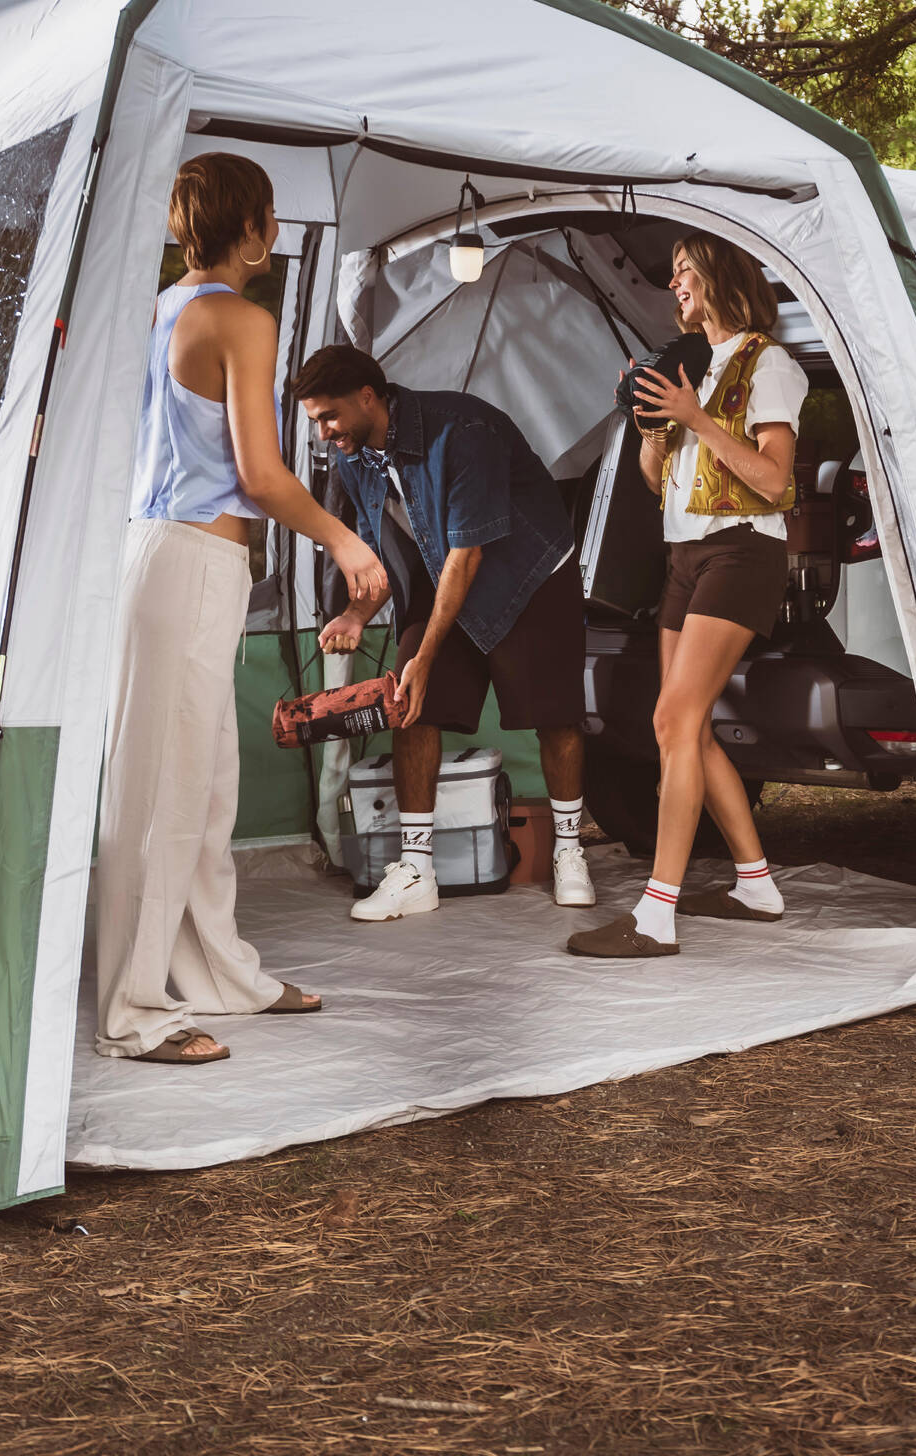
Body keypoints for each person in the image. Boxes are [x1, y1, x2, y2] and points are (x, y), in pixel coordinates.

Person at [96, 152, 390, 1068]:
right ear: (255, 225)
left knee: (206, 781)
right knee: (165, 791)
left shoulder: (159, 311)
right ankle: (133, 1012)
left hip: (159, 557)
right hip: (187, 558)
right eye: (268, 215)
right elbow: (261, 477)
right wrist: (345, 542)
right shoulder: (241, 318)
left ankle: (222, 972)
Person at [293, 343, 596, 919]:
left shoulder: (463, 429)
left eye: (329, 416)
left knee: (555, 718)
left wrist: (426, 655)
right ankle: (416, 870)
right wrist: (357, 614)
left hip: (526, 578)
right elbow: (379, 557)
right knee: (409, 706)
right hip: (446, 579)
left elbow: (467, 552)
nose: (325, 432)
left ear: (367, 397)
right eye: (316, 422)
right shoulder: (353, 455)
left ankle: (570, 851)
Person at [567, 233, 799, 959]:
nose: (674, 285)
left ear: (720, 277)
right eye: (671, 276)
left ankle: (655, 916)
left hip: (742, 551)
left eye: (684, 272)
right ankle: (756, 884)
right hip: (686, 555)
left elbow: (774, 482)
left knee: (674, 717)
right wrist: (653, 434)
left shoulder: (772, 364)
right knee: (687, 729)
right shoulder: (699, 366)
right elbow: (656, 482)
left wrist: (696, 418)